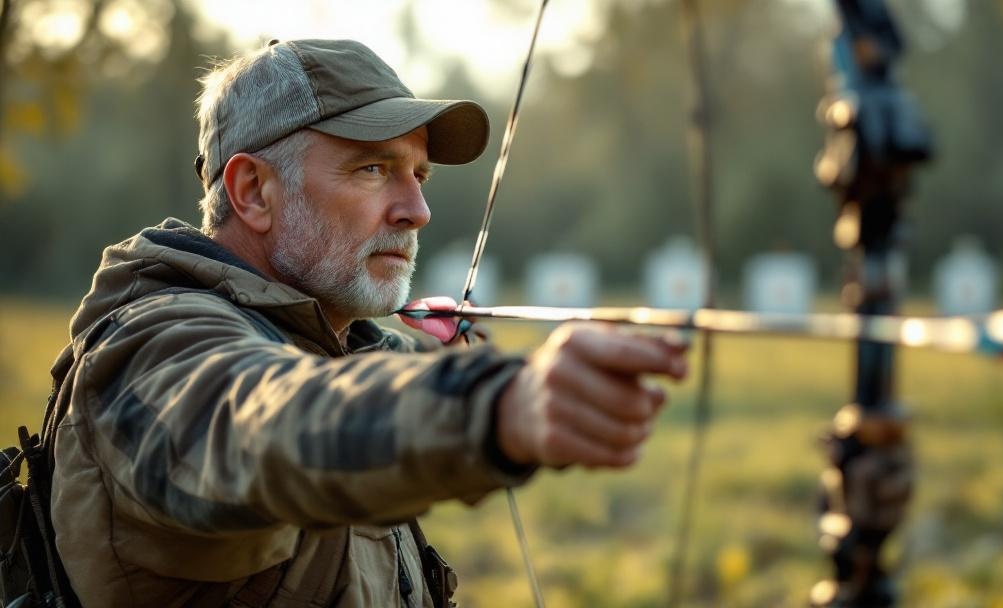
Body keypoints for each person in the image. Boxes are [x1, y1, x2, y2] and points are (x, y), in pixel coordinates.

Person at [49, 39, 687, 607]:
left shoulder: (337, 344)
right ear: (253, 192)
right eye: (374, 169)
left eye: (419, 174)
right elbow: (266, 422)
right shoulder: (150, 350)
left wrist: (452, 373)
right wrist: (499, 406)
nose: (418, 210)